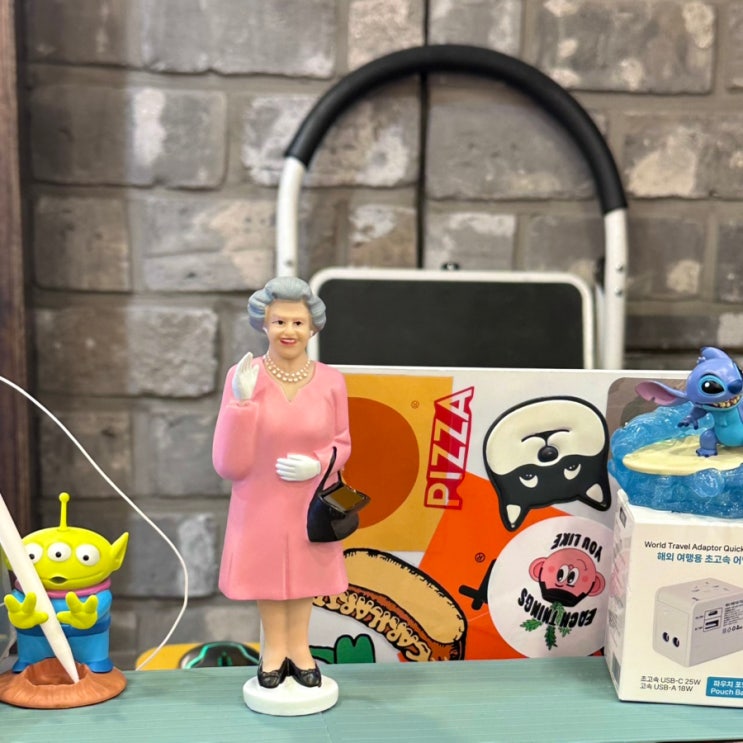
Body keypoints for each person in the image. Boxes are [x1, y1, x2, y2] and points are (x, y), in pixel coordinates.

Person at [212, 276, 351, 691]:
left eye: (297, 322)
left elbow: (342, 443)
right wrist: (241, 403)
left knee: (305, 579)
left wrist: (318, 464)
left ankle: (300, 650)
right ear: (264, 324)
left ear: (312, 328)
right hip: (260, 501)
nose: (289, 331)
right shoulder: (244, 376)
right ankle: (274, 651)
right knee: (268, 578)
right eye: (279, 322)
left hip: (310, 500)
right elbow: (228, 463)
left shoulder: (331, 381)